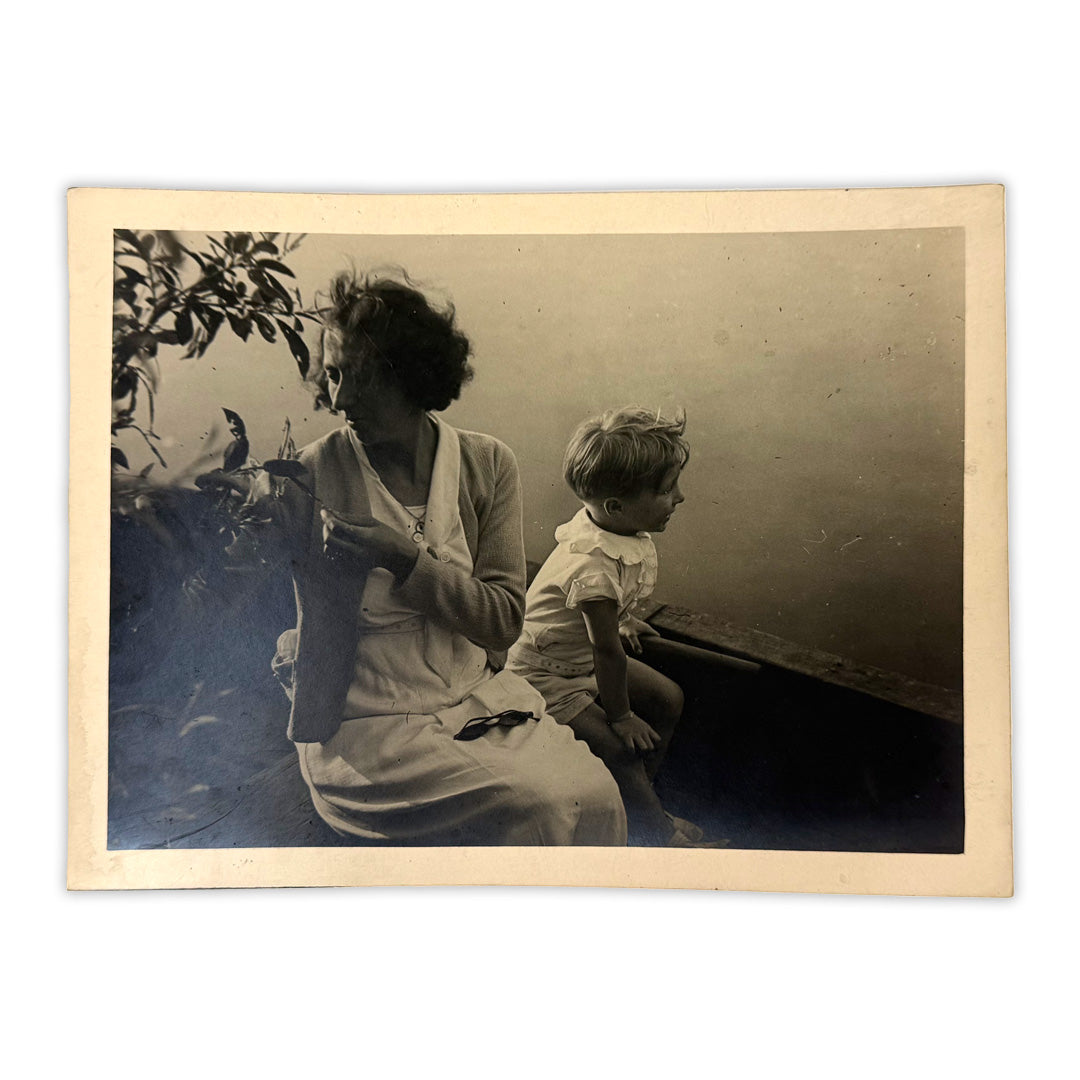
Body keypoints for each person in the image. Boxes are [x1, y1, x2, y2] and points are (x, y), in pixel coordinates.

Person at [268, 270, 626, 845]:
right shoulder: (311, 474)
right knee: (538, 806)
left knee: (599, 797)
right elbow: (320, 625)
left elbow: (505, 623)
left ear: (411, 377)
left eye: (357, 377)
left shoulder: (488, 463)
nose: (338, 400)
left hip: (474, 693)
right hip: (369, 717)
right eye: (332, 375)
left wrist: (405, 559)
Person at [507, 406, 714, 846]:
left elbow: (596, 619)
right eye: (666, 490)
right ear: (617, 506)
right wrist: (620, 717)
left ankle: (640, 804)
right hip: (546, 676)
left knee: (668, 699)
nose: (680, 498)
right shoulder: (592, 567)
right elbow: (605, 651)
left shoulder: (611, 526)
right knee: (622, 748)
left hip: (579, 655)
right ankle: (656, 834)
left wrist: (622, 621)